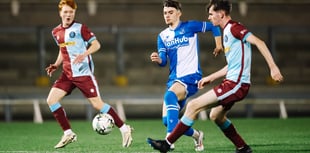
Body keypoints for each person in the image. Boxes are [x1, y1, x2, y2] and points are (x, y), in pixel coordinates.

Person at [147, 0, 284, 152]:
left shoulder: (234, 28)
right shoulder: (227, 32)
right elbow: (231, 65)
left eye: (211, 14)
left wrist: (273, 67)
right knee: (216, 116)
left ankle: (167, 143)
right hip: (231, 82)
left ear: (221, 14)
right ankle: (242, 147)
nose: (210, 18)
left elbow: (260, 42)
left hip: (235, 83)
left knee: (192, 105)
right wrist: (210, 77)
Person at [45, 0, 133, 149]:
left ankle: (125, 129)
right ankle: (68, 133)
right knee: (51, 100)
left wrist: (84, 54)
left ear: (74, 13)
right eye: (65, 12)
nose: (68, 15)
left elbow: (96, 45)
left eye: (71, 12)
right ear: (60, 13)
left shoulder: (81, 28)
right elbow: (63, 49)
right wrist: (56, 64)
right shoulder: (56, 32)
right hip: (67, 74)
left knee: (98, 104)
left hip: (83, 74)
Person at [149, 0, 223, 151]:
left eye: (170, 12)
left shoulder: (189, 26)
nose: (167, 16)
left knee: (169, 97)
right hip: (174, 80)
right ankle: (197, 136)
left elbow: (214, 26)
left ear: (178, 13)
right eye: (165, 13)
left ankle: (168, 140)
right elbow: (163, 62)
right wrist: (158, 59)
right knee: (168, 120)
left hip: (191, 76)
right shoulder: (162, 36)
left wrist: (219, 45)